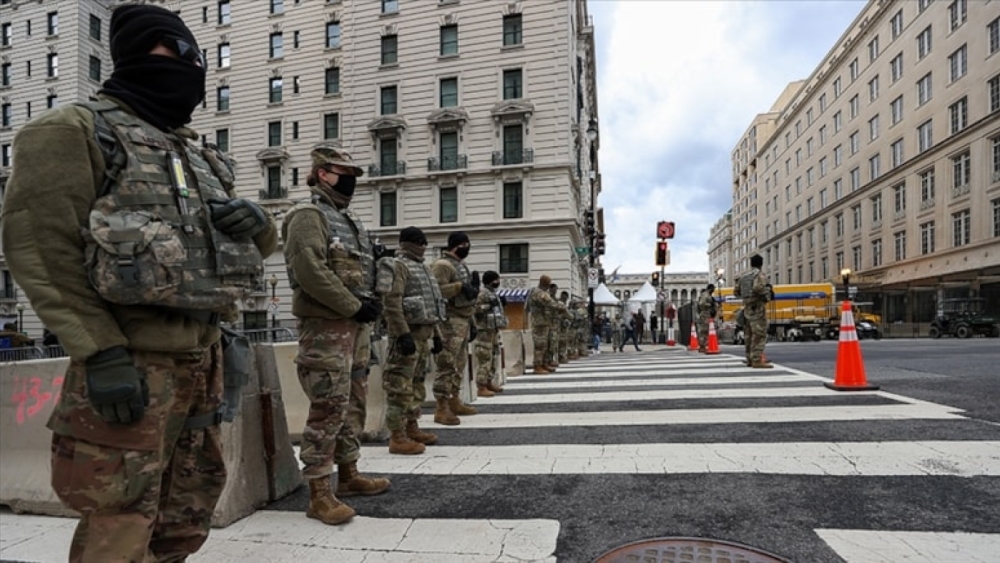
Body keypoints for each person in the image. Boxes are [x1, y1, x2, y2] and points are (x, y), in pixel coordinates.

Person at [1, 5, 278, 559]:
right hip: (130, 361)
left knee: (186, 510)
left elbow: (231, 254)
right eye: (175, 52)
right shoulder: (72, 131)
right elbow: (39, 249)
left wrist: (261, 225)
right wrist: (99, 352)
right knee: (119, 520)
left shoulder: (196, 152)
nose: (189, 67)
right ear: (141, 52)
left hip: (204, 358)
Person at [282, 142, 391, 525]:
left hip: (355, 328)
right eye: (345, 175)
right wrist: (353, 306)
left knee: (354, 402)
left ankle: (348, 474)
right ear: (324, 173)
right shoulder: (308, 215)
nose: (351, 182)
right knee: (327, 408)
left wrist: (368, 307)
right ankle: (318, 492)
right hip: (327, 327)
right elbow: (309, 271)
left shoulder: (350, 220)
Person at [377, 227, 447, 448]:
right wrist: (402, 333)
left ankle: (411, 426)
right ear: (405, 243)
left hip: (423, 335)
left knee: (416, 384)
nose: (423, 245)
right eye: (418, 241)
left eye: (424, 241)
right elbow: (392, 302)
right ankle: (396, 435)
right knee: (399, 386)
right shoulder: (396, 265)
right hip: (406, 336)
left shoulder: (423, 268)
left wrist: (436, 335)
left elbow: (430, 306)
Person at [430, 232, 480, 423]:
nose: (467, 247)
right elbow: (437, 291)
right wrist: (459, 287)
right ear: (456, 245)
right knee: (446, 364)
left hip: (463, 320)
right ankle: (441, 407)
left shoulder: (460, 266)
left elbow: (468, 298)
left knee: (458, 364)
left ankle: (454, 399)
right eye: (464, 244)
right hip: (449, 321)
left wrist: (472, 322)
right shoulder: (442, 265)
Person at [473, 271, 508, 397]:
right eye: (496, 280)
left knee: (493, 357)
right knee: (485, 358)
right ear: (490, 281)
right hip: (484, 331)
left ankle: (489, 382)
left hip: (493, 330)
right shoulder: (483, 294)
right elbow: (475, 309)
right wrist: (488, 306)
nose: (497, 282)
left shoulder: (493, 294)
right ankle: (481, 386)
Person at [736, 254, 774, 368]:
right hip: (757, 308)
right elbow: (758, 288)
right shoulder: (759, 275)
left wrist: (746, 297)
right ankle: (757, 360)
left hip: (747, 308)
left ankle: (749, 359)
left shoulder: (744, 276)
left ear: (751, 263)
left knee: (748, 334)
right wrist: (767, 292)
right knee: (759, 334)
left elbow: (736, 291)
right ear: (761, 264)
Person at [527, 275, 559, 373]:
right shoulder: (539, 293)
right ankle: (537, 366)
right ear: (544, 283)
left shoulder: (540, 292)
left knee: (545, 345)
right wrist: (560, 307)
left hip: (544, 322)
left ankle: (544, 364)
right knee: (540, 345)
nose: (549, 285)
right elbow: (551, 304)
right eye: (548, 283)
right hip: (539, 323)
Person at [695, 284, 718, 353]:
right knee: (704, 330)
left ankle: (703, 345)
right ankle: (702, 346)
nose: (713, 291)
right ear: (710, 289)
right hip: (705, 314)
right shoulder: (706, 295)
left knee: (706, 330)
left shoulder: (709, 295)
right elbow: (701, 304)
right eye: (713, 289)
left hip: (707, 314)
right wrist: (711, 305)